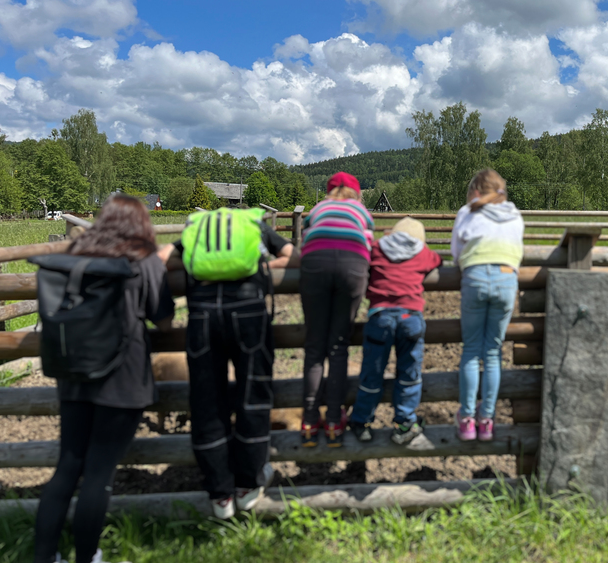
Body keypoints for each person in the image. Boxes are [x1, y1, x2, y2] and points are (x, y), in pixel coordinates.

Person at [34, 194, 174, 563]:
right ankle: (87, 557)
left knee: (67, 467)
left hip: (75, 372)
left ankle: (44, 556)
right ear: (141, 224)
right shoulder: (143, 258)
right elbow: (163, 320)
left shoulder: (77, 254)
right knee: (99, 474)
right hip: (122, 376)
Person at [157, 207, 294, 519]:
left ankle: (220, 494)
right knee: (253, 396)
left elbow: (163, 255)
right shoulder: (254, 223)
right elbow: (293, 256)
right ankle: (248, 485)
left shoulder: (199, 227)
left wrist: (194, 267)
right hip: (249, 312)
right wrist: (262, 265)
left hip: (203, 314)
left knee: (206, 400)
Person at [349, 217, 442, 444]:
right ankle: (404, 423)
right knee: (409, 373)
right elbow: (437, 260)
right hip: (410, 317)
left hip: (380, 317)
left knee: (372, 372)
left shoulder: (377, 247)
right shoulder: (423, 252)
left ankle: (361, 422)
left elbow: (363, 257)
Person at [298, 172, 374, 447]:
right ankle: (333, 421)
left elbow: (305, 239)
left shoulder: (318, 209)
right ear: (356, 192)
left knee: (315, 346)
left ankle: (308, 421)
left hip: (315, 264)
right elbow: (368, 242)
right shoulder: (361, 211)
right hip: (352, 265)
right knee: (338, 346)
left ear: (330, 191)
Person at [451, 169, 523, 442]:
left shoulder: (468, 211)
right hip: (506, 280)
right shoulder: (514, 214)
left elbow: (456, 254)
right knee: (492, 352)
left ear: (476, 192)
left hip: (476, 278)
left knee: (471, 350)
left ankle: (467, 420)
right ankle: (487, 421)